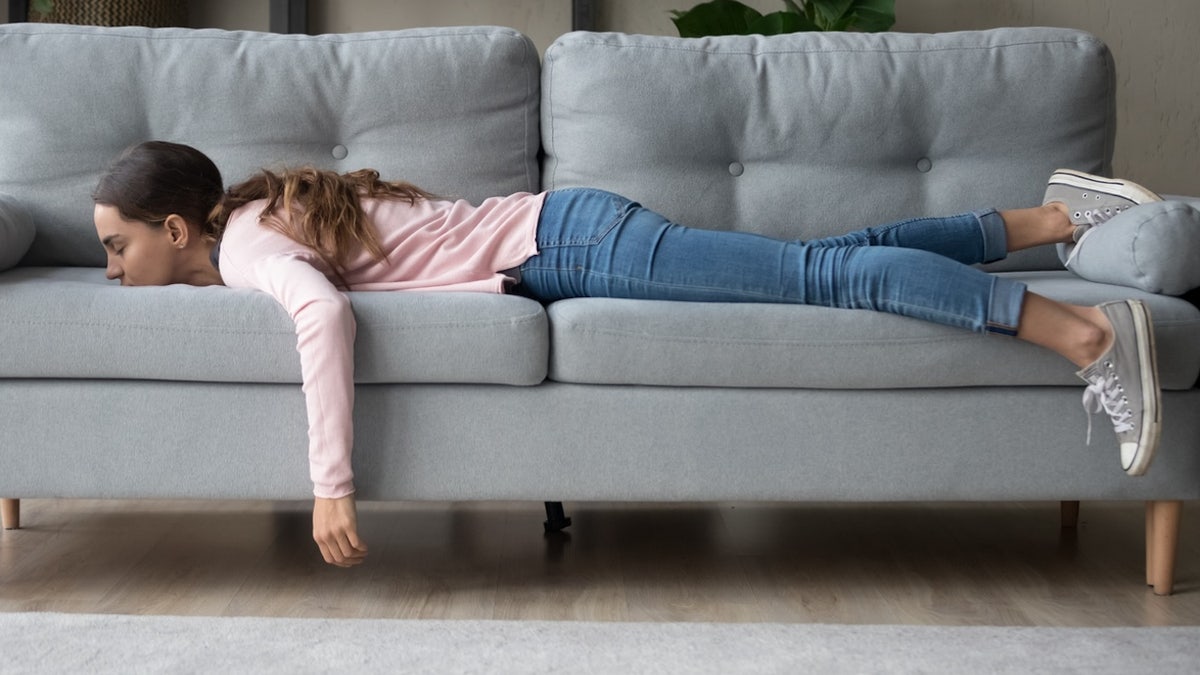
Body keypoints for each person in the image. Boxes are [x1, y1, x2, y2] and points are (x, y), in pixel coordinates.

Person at [92, 141, 1163, 567]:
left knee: (819, 281)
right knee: (814, 259)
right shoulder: (246, 225)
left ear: (178, 230)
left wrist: (332, 486)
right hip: (568, 234)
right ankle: (1052, 221)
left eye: (116, 246)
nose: (109, 268)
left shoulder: (242, 249)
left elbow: (322, 319)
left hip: (570, 243)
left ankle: (1089, 336)